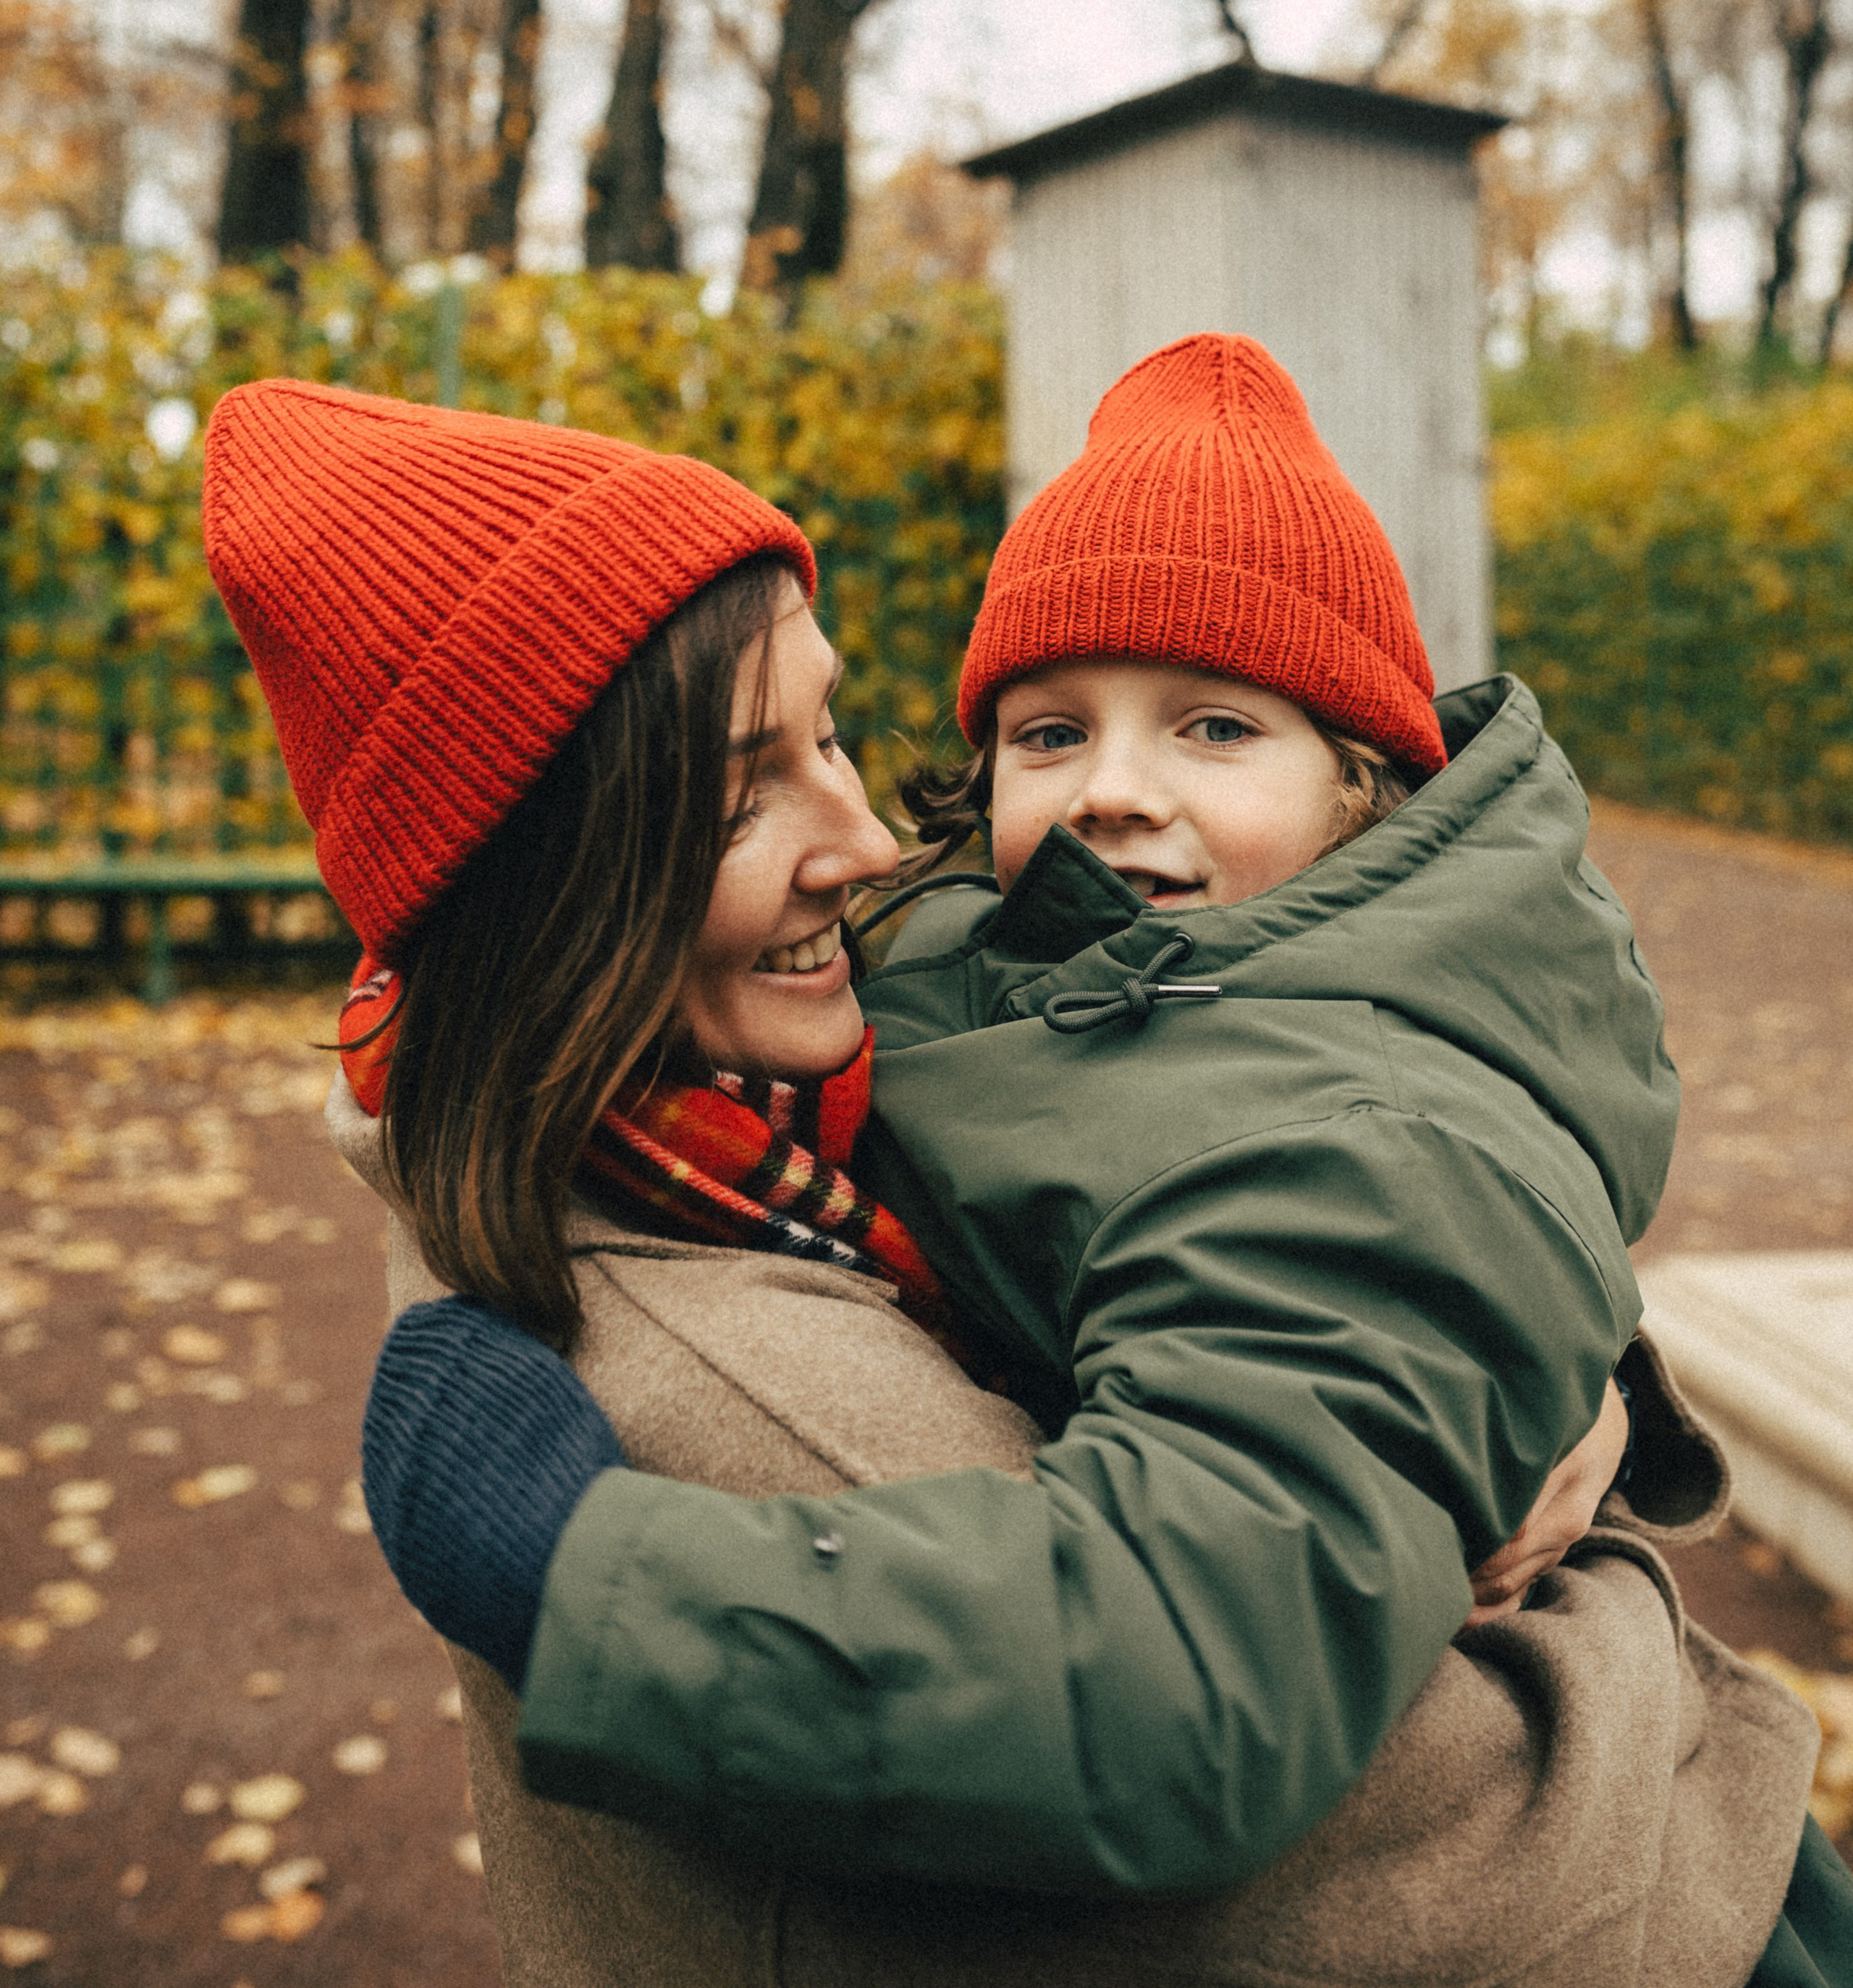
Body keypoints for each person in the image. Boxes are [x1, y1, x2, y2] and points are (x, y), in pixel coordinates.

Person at [204, 359, 1841, 1988]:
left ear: (1368, 783)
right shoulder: (993, 1000)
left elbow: (1189, 1661)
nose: (855, 847)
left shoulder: (1320, 1127)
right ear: (556, 886)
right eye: (1046, 731)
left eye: (1216, 726)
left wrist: (583, 1583)